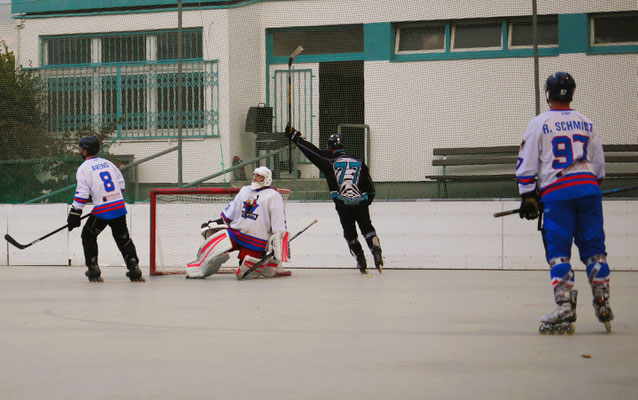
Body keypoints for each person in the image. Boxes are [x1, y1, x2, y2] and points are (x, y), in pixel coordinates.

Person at [516, 72, 613, 333]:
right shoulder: (586, 122)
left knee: (558, 251)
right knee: (594, 248)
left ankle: (565, 306)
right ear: (572, 93)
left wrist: (528, 194)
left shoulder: (539, 123)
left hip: (558, 194)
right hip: (589, 189)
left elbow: (526, 161)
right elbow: (599, 164)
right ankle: (602, 300)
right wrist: (591, 186)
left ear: (548, 94)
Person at [284, 124, 383, 274]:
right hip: (361, 202)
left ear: (330, 147)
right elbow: (371, 188)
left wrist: (295, 137)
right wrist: (365, 201)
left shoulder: (328, 160)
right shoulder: (359, 161)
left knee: (350, 234)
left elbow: (312, 152)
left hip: (343, 204)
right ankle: (376, 251)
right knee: (367, 229)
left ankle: (361, 260)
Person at [186, 166, 290, 279]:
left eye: (260, 176)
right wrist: (216, 222)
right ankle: (198, 269)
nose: (256, 178)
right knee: (211, 243)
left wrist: (277, 245)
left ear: (267, 179)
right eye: (255, 175)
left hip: (256, 240)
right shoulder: (245, 190)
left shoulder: (273, 195)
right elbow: (231, 212)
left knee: (243, 273)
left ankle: (261, 261)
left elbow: (278, 222)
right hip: (235, 233)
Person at [68, 136, 145, 283]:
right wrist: (110, 197)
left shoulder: (84, 168)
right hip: (118, 206)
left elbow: (82, 193)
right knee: (123, 237)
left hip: (103, 209)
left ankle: (93, 269)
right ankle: (134, 267)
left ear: (85, 151)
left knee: (88, 235)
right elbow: (121, 184)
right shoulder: (107, 163)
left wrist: (75, 212)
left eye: (80, 148)